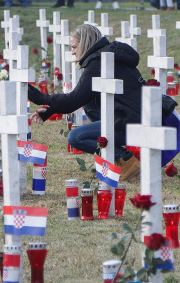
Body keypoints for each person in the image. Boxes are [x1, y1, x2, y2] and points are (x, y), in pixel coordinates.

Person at [28, 25, 151, 181]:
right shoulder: (107, 54)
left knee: (75, 137)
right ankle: (118, 155)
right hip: (135, 114)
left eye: (74, 47)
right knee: (91, 104)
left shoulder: (98, 62)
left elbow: (73, 100)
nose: (72, 52)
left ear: (85, 43)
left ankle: (125, 160)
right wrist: (50, 110)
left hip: (132, 121)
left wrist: (40, 98)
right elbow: (83, 96)